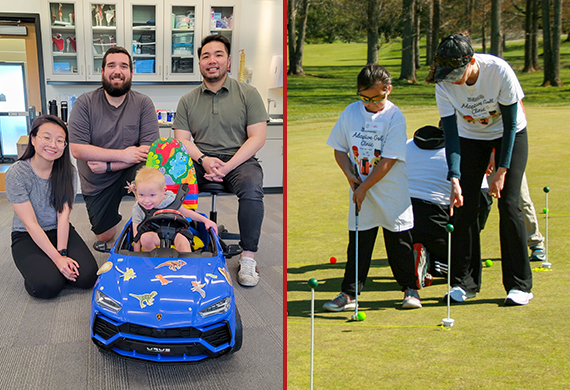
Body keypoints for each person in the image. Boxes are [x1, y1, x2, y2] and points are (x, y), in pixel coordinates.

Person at [431, 33, 533, 305]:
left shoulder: (498, 71)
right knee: (465, 207)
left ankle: (519, 285)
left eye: (457, 72)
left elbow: (511, 125)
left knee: (510, 205)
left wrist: (502, 169)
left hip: (508, 134)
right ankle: (464, 283)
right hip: (470, 138)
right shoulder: (443, 83)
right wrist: (454, 176)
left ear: (471, 61)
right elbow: (451, 134)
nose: (453, 79)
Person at [323, 64, 422, 311]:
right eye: (364, 97)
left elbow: (388, 160)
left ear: (388, 90)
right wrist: (350, 177)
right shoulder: (350, 112)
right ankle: (349, 294)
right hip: (360, 190)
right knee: (358, 242)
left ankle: (410, 289)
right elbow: (339, 148)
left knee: (399, 242)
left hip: (390, 191)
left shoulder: (394, 116)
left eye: (376, 98)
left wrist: (364, 187)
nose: (370, 103)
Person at [172, 35, 268, 287]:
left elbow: (257, 137)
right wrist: (203, 160)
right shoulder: (187, 100)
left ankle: (247, 257)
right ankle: (182, 241)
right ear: (200, 63)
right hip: (200, 160)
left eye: (218, 55)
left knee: (252, 187)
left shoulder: (248, 93)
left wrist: (229, 166)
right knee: (172, 181)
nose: (211, 60)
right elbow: (182, 140)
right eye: (205, 56)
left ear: (228, 61)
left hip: (240, 159)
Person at [68, 46, 159, 250]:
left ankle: (146, 231)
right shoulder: (85, 103)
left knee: (150, 175)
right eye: (111, 65)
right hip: (96, 181)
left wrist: (108, 165)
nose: (117, 71)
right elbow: (78, 150)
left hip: (127, 171)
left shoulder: (143, 103)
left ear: (131, 73)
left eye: (124, 66)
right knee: (104, 235)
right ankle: (114, 219)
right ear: (102, 72)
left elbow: (148, 152)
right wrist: (126, 154)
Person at [6, 115, 98, 298]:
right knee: (48, 286)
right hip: (27, 235)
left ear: (65, 146)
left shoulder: (68, 172)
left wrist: (62, 253)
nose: (53, 144)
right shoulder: (16, 174)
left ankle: (53, 265)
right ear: (33, 139)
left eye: (59, 140)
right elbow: (31, 224)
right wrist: (57, 260)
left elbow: (63, 216)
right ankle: (40, 270)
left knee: (88, 277)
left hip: (58, 230)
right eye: (46, 137)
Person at [131, 166, 218, 252]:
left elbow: (187, 213)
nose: (146, 201)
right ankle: (151, 262)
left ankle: (186, 262)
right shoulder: (138, 208)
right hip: (153, 234)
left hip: (176, 232)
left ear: (163, 191)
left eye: (152, 195)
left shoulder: (171, 200)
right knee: (145, 238)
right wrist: (136, 254)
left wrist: (206, 220)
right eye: (141, 195)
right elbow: (136, 233)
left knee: (183, 242)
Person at [406, 125, 451, 279]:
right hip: (437, 219)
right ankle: (432, 263)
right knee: (462, 267)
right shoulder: (455, 152)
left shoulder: (406, 145)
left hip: (404, 218)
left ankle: (421, 255)